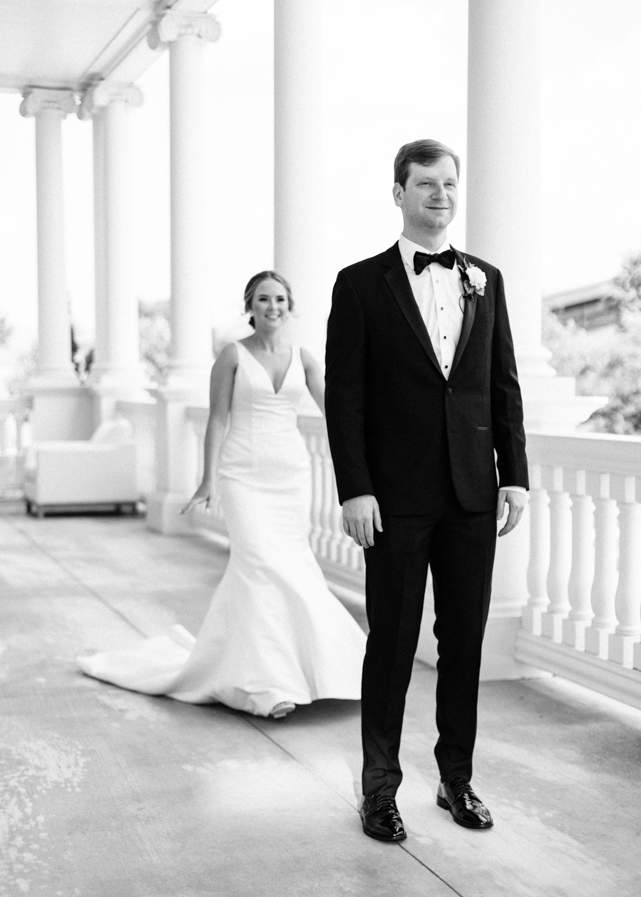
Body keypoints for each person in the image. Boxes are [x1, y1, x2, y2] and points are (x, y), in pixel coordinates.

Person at [324, 140, 529, 842]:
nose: (439, 195)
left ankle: (456, 780)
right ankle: (378, 788)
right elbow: (344, 400)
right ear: (397, 192)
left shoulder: (485, 279)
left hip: (472, 493)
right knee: (391, 643)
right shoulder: (359, 284)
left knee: (463, 642)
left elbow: (502, 384)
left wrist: (516, 476)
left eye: (447, 184)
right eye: (424, 184)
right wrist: (355, 488)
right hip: (394, 498)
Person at [79, 271, 365, 718]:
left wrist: (366, 459)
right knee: (256, 564)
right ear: (249, 306)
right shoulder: (231, 356)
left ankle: (312, 669)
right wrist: (208, 479)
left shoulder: (304, 358)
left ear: (291, 307)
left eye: (281, 300)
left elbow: (335, 413)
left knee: (292, 567)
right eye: (264, 299)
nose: (273, 307)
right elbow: (217, 420)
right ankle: (264, 687)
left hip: (290, 474)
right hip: (242, 475)